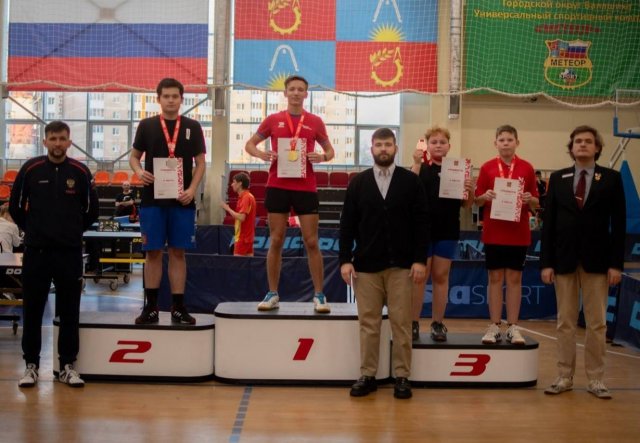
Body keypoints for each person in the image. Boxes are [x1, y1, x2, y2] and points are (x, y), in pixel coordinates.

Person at [340, 128, 428, 399]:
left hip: (402, 267)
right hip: (366, 267)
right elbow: (347, 225)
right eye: (379, 145)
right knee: (369, 324)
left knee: (401, 323)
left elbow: (421, 224)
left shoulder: (410, 182)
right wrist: (345, 260)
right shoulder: (358, 183)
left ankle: (402, 376)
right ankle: (368, 375)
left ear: (396, 148)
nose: (383, 149)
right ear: (372, 149)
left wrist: (419, 260)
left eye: (388, 144)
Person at [9, 120, 99, 388]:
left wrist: (71, 232)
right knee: (32, 310)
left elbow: (91, 211)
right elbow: (15, 207)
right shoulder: (30, 169)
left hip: (69, 254)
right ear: (45, 141)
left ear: (69, 142)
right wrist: (34, 230)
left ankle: (67, 366)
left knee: (70, 311)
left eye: (62, 139)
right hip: (36, 253)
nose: (58, 143)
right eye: (53, 139)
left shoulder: (80, 171)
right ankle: (31, 366)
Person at [541, 125, 626, 399]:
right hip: (563, 259)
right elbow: (548, 224)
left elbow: (619, 224)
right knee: (564, 322)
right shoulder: (558, 178)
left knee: (597, 323)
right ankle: (564, 376)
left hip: (598, 262)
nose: (583, 145)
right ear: (571, 147)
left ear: (597, 147)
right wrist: (546, 263)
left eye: (588, 141)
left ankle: (596, 379)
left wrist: (616, 264)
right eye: (578, 141)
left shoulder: (611, 179)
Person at [245, 75, 335, 313]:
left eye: (300, 90)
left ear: (306, 94)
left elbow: (330, 151)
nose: (296, 93)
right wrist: (262, 154)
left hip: (306, 187)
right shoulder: (273, 120)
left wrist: (322, 157)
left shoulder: (315, 122)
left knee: (311, 241)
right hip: (278, 186)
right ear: (285, 93)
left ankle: (319, 295)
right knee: (276, 240)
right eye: (292, 89)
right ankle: (272, 293)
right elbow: (250, 145)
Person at [129, 78, 206, 325]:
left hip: (182, 201)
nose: (171, 100)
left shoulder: (193, 126)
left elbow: (201, 163)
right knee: (152, 253)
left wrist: (192, 189)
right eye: (166, 96)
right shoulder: (147, 125)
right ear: (159, 99)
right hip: (152, 200)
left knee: (178, 253)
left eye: (175, 96)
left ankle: (178, 307)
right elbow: (134, 157)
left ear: (181, 99)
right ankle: (151, 308)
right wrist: (139, 172)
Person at [474, 124, 538, 345]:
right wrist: (485, 196)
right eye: (501, 140)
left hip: (518, 233)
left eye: (510, 140)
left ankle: (513, 326)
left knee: (514, 279)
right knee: (494, 278)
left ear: (517, 142)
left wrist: (530, 199)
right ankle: (494, 325)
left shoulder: (527, 168)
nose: (506, 143)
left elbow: (536, 201)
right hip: (494, 232)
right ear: (495, 143)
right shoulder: (487, 167)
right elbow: (477, 200)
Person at [410, 126, 474, 341]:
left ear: (449, 146)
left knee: (441, 276)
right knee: (419, 278)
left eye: (442, 142)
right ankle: (413, 323)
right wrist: (416, 163)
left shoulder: (458, 169)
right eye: (434, 142)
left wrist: (470, 190)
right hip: (422, 232)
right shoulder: (420, 167)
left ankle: (438, 323)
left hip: (447, 230)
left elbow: (466, 205)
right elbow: (408, 192)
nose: (438, 145)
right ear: (427, 146)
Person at [221, 172, 257, 256]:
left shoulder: (246, 197)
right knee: (248, 264)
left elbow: (241, 217)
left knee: (237, 263)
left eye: (234, 182)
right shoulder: (248, 196)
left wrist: (227, 209)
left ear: (240, 183)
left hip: (242, 238)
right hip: (248, 238)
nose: (232, 185)